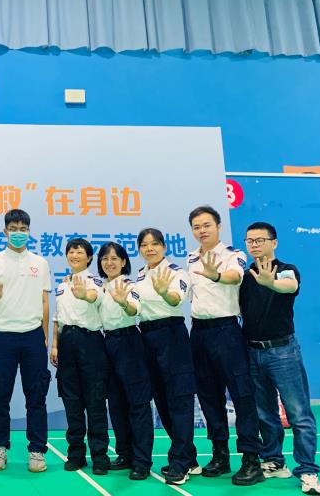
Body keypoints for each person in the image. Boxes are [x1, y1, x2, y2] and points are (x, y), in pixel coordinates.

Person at [239, 222, 320, 495]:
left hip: (282, 352)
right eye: (250, 241)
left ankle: (308, 470)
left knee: (298, 413)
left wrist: (271, 283)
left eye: (260, 240)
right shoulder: (245, 276)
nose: (254, 245)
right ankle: (274, 461)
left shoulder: (286, 269)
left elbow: (290, 286)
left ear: (273, 243)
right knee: (265, 413)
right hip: (252, 351)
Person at [187, 205, 264, 486]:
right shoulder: (191, 258)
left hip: (226, 331)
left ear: (218, 226)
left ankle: (251, 459)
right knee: (209, 396)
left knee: (242, 395)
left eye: (206, 225)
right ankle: (220, 454)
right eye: (196, 227)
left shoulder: (234, 255)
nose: (202, 231)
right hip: (199, 333)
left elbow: (235, 277)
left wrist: (216, 275)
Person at [0, 209, 52, 473]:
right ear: (5, 232)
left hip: (33, 335)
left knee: (37, 395)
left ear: (29, 232)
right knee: (0, 395)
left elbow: (45, 301)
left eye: (23, 229)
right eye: (13, 229)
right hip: (3, 335)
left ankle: (37, 450)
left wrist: (45, 335)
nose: (18, 233)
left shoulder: (40, 263)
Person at [132, 228, 199, 486]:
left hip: (171, 334)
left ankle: (179, 464)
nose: (149, 249)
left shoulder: (176, 272)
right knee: (161, 400)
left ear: (164, 246)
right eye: (144, 245)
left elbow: (175, 300)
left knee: (179, 399)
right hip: (146, 336)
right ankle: (189, 458)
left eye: (155, 244)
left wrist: (163, 291)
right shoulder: (140, 275)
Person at [49, 238, 110, 474]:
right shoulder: (62, 284)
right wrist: (55, 346)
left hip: (90, 342)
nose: (74, 256)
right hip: (67, 343)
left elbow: (95, 296)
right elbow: (58, 319)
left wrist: (85, 295)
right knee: (71, 401)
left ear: (89, 257)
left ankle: (100, 455)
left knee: (95, 401)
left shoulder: (96, 281)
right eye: (71, 252)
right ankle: (76, 453)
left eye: (79, 252)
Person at [97, 241, 154, 480]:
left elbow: (134, 310)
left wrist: (123, 302)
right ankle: (125, 454)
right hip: (107, 343)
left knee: (137, 403)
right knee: (116, 403)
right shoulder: (99, 288)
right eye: (105, 259)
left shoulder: (131, 285)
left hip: (129, 341)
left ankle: (142, 460)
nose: (109, 263)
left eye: (114, 258)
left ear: (123, 262)